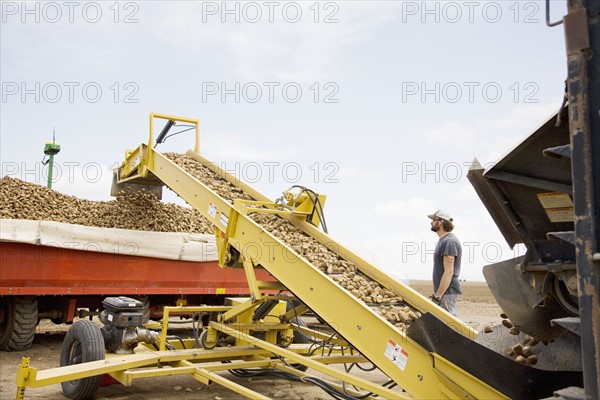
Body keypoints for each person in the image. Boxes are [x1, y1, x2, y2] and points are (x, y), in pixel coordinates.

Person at [427, 209, 462, 316]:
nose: (431, 222)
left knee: (447, 323)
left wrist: (438, 296)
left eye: (433, 219)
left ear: (441, 221)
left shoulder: (449, 242)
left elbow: (449, 272)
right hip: (444, 292)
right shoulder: (444, 240)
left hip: (447, 292)